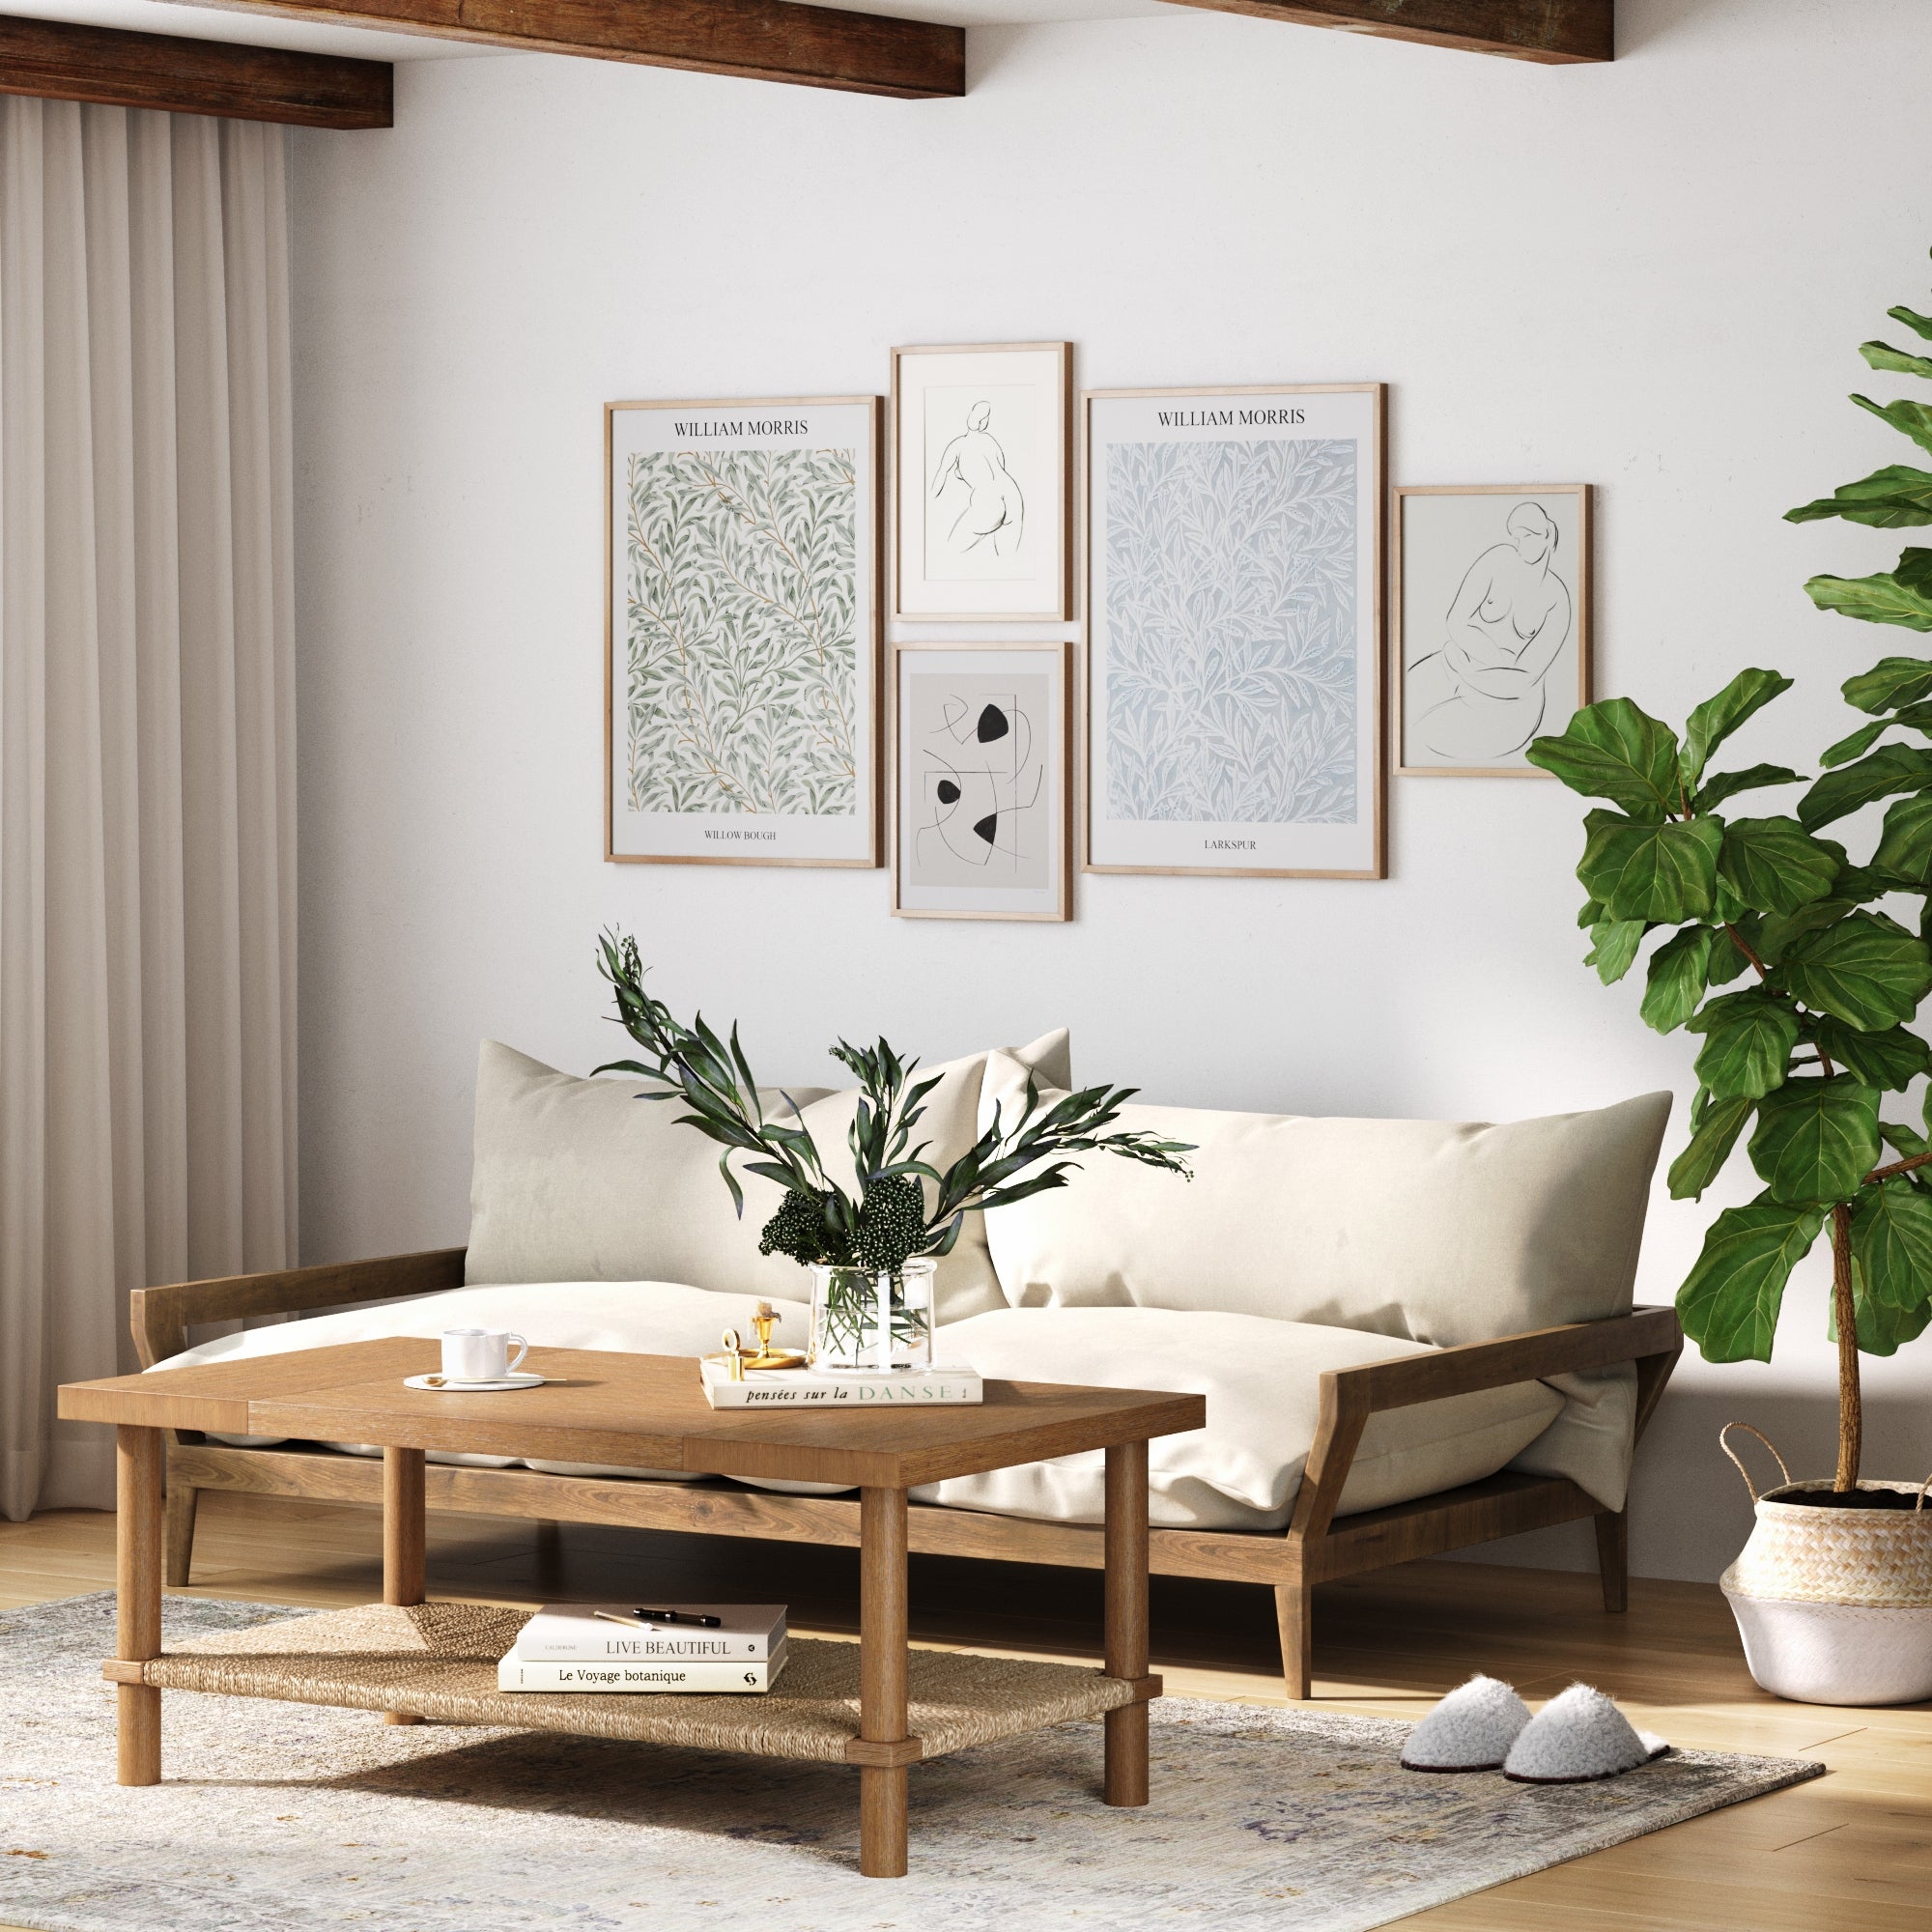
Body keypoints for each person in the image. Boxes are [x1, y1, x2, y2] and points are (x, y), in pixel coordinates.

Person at [1406, 501, 1572, 763]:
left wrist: (1473, 673)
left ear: (1548, 535)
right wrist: (1494, 659)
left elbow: (1526, 676)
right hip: (1455, 666)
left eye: (1527, 535)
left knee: (1427, 735)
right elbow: (1456, 621)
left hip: (1509, 705)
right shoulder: (1498, 560)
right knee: (1400, 706)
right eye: (1515, 537)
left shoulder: (1557, 598)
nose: (1519, 544)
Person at [930, 401, 1026, 558]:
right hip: (1012, 495)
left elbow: (942, 473)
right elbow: (1000, 467)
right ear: (984, 422)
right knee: (1009, 559)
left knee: (950, 552)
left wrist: (930, 498)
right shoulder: (989, 440)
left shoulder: (957, 445)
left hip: (988, 499)